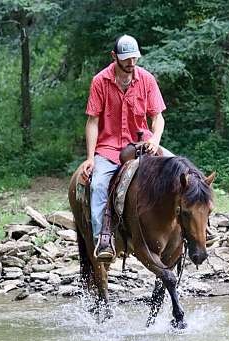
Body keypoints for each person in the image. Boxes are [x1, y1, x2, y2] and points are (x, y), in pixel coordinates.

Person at [80, 34, 173, 261]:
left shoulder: (147, 80)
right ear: (114, 57)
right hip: (109, 148)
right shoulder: (100, 81)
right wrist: (91, 157)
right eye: (126, 59)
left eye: (134, 58)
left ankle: (195, 230)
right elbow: (92, 122)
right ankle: (103, 239)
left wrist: (155, 141)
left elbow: (158, 117)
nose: (131, 63)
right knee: (99, 184)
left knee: (182, 170)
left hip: (143, 144)